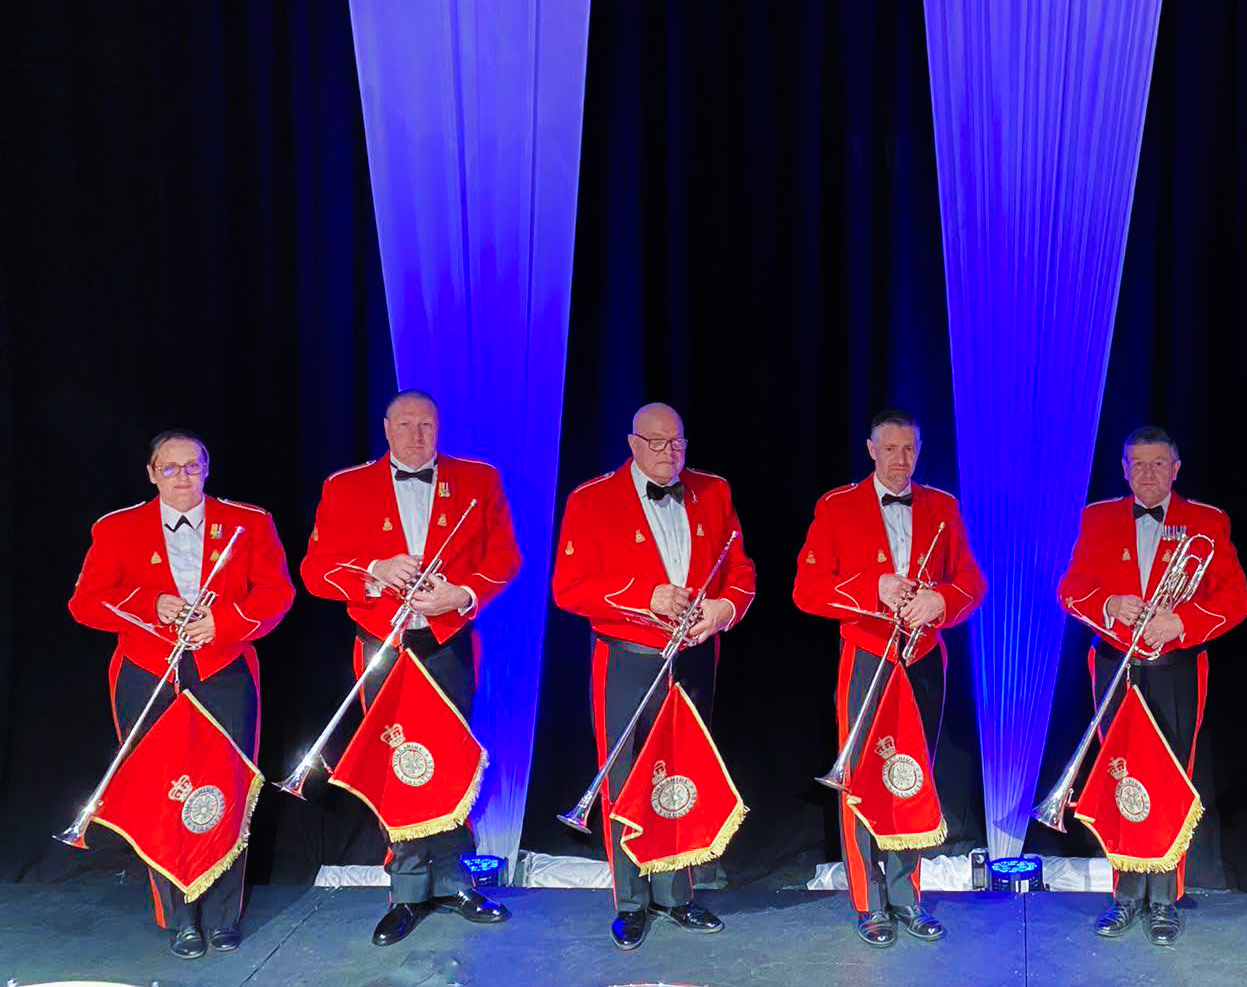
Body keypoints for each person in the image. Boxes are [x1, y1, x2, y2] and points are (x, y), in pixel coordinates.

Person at [302, 389, 521, 946]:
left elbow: (505, 557)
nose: (417, 435)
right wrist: (374, 569)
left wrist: (462, 594)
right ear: (386, 428)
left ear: (439, 427)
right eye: (405, 425)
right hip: (382, 642)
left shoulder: (479, 479)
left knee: (453, 761)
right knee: (396, 763)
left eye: (427, 425)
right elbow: (315, 570)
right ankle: (406, 891)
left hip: (447, 642)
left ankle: (456, 883)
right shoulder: (344, 486)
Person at [68, 430, 295, 959]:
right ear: (151, 473)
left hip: (224, 665)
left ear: (207, 468)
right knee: (160, 790)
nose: (181, 477)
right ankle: (181, 917)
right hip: (147, 669)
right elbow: (85, 603)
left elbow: (276, 592)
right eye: (169, 468)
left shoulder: (250, 521)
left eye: (191, 466)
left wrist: (224, 623)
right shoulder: (117, 527)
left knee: (227, 788)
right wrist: (152, 604)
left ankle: (221, 917)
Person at [553, 403, 757, 950]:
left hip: (694, 657)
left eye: (679, 443)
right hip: (627, 657)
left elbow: (740, 570)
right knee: (625, 778)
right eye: (659, 443)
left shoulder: (712, 490)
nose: (671, 453)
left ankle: (677, 894)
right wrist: (646, 598)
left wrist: (724, 611)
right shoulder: (591, 498)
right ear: (633, 443)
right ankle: (632, 901)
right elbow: (568, 588)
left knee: (685, 772)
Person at [793, 408, 984, 947]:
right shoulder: (837, 505)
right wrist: (870, 588)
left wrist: (940, 600)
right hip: (867, 654)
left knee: (911, 776)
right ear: (871, 449)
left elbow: (971, 580)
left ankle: (907, 896)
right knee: (859, 781)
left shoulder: (942, 505)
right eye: (891, 450)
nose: (902, 461)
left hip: (923, 657)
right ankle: (868, 902)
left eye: (910, 450)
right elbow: (806, 589)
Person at [1057, 425, 1247, 946]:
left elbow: (1236, 600)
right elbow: (1070, 590)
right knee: (1121, 778)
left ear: (1176, 468)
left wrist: (1182, 622)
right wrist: (1108, 605)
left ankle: (1164, 899)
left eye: (1159, 463)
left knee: (1170, 779)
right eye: (1138, 464)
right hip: (1115, 662)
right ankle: (1124, 897)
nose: (1148, 473)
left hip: (1176, 668)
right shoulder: (1096, 518)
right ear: (1123, 468)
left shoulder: (1208, 521)